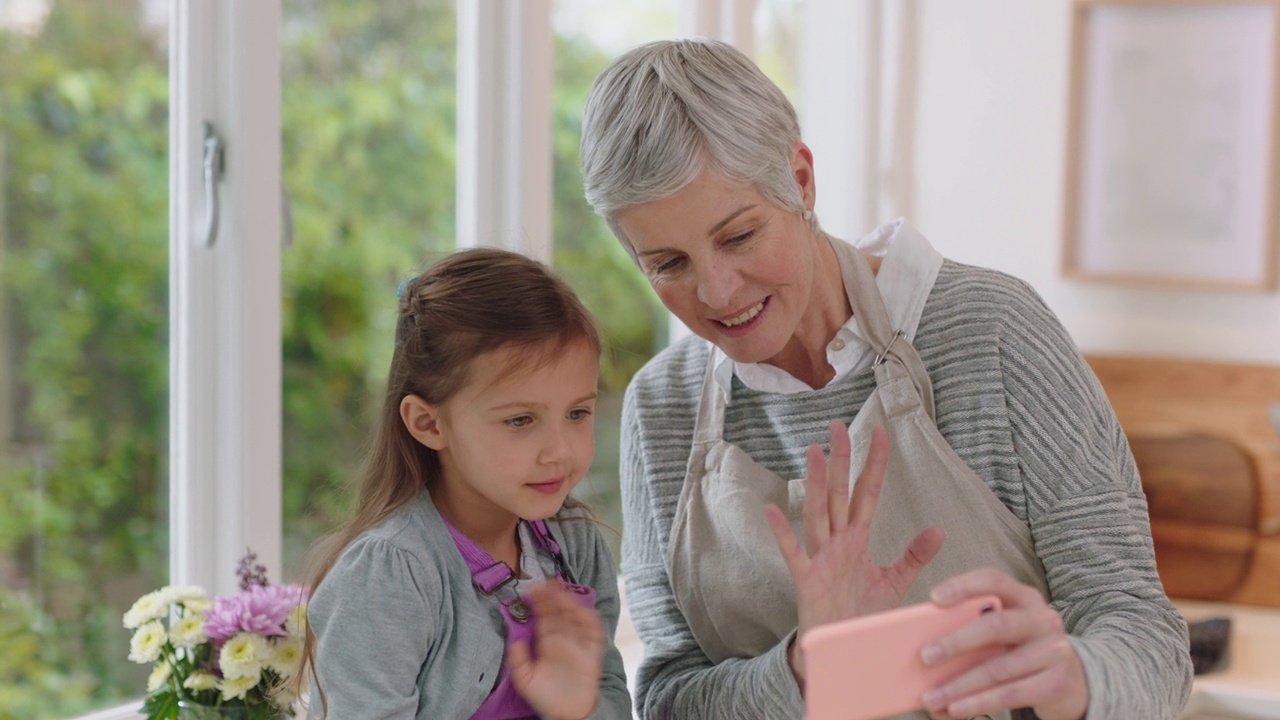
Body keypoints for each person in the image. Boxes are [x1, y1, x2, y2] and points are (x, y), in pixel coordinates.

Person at [579, 38, 1191, 720]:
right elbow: (666, 698)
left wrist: (1076, 678)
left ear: (801, 179)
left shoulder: (992, 332)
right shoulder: (663, 407)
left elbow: (1144, 635)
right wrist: (806, 664)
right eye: (668, 264)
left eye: (739, 236)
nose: (717, 292)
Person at [299, 248, 632, 719]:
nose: (559, 450)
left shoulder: (574, 544)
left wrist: (578, 711)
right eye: (520, 420)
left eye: (577, 412)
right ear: (429, 424)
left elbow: (612, 698)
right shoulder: (389, 578)